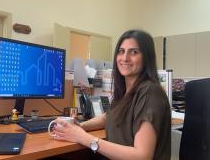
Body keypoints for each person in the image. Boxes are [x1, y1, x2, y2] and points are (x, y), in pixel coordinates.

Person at [52, 29, 171, 160]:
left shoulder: (150, 93)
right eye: (121, 51)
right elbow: (108, 117)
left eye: (134, 52)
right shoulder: (125, 92)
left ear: (146, 58)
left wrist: (83, 137)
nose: (125, 58)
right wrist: (79, 127)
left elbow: (141, 156)